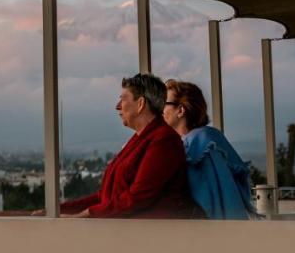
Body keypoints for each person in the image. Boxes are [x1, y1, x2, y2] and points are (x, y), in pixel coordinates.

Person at [59, 73, 203, 218]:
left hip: (151, 236)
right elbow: (105, 198)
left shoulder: (164, 140)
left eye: (123, 99)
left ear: (140, 104)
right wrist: (59, 210)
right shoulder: (140, 139)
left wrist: (87, 214)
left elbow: (138, 197)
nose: (117, 106)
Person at [162, 80, 256, 219]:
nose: (159, 109)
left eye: (164, 103)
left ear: (181, 110)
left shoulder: (200, 145)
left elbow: (214, 201)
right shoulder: (202, 140)